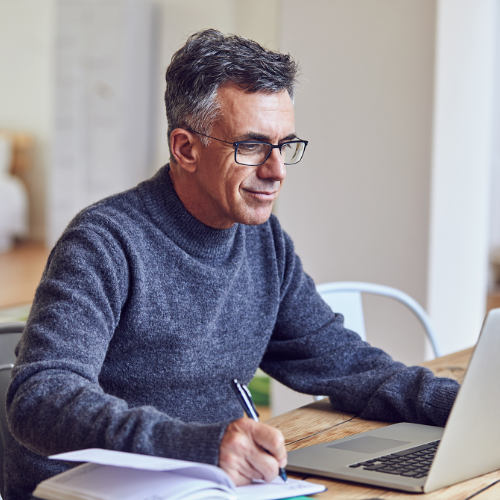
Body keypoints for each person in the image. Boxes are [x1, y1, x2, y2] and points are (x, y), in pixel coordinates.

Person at [4, 29, 459, 499]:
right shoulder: (104, 243)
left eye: (285, 145)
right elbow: (40, 398)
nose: (276, 170)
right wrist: (197, 445)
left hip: (209, 484)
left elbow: (345, 364)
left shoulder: (264, 241)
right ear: (185, 148)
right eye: (252, 146)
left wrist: (467, 407)